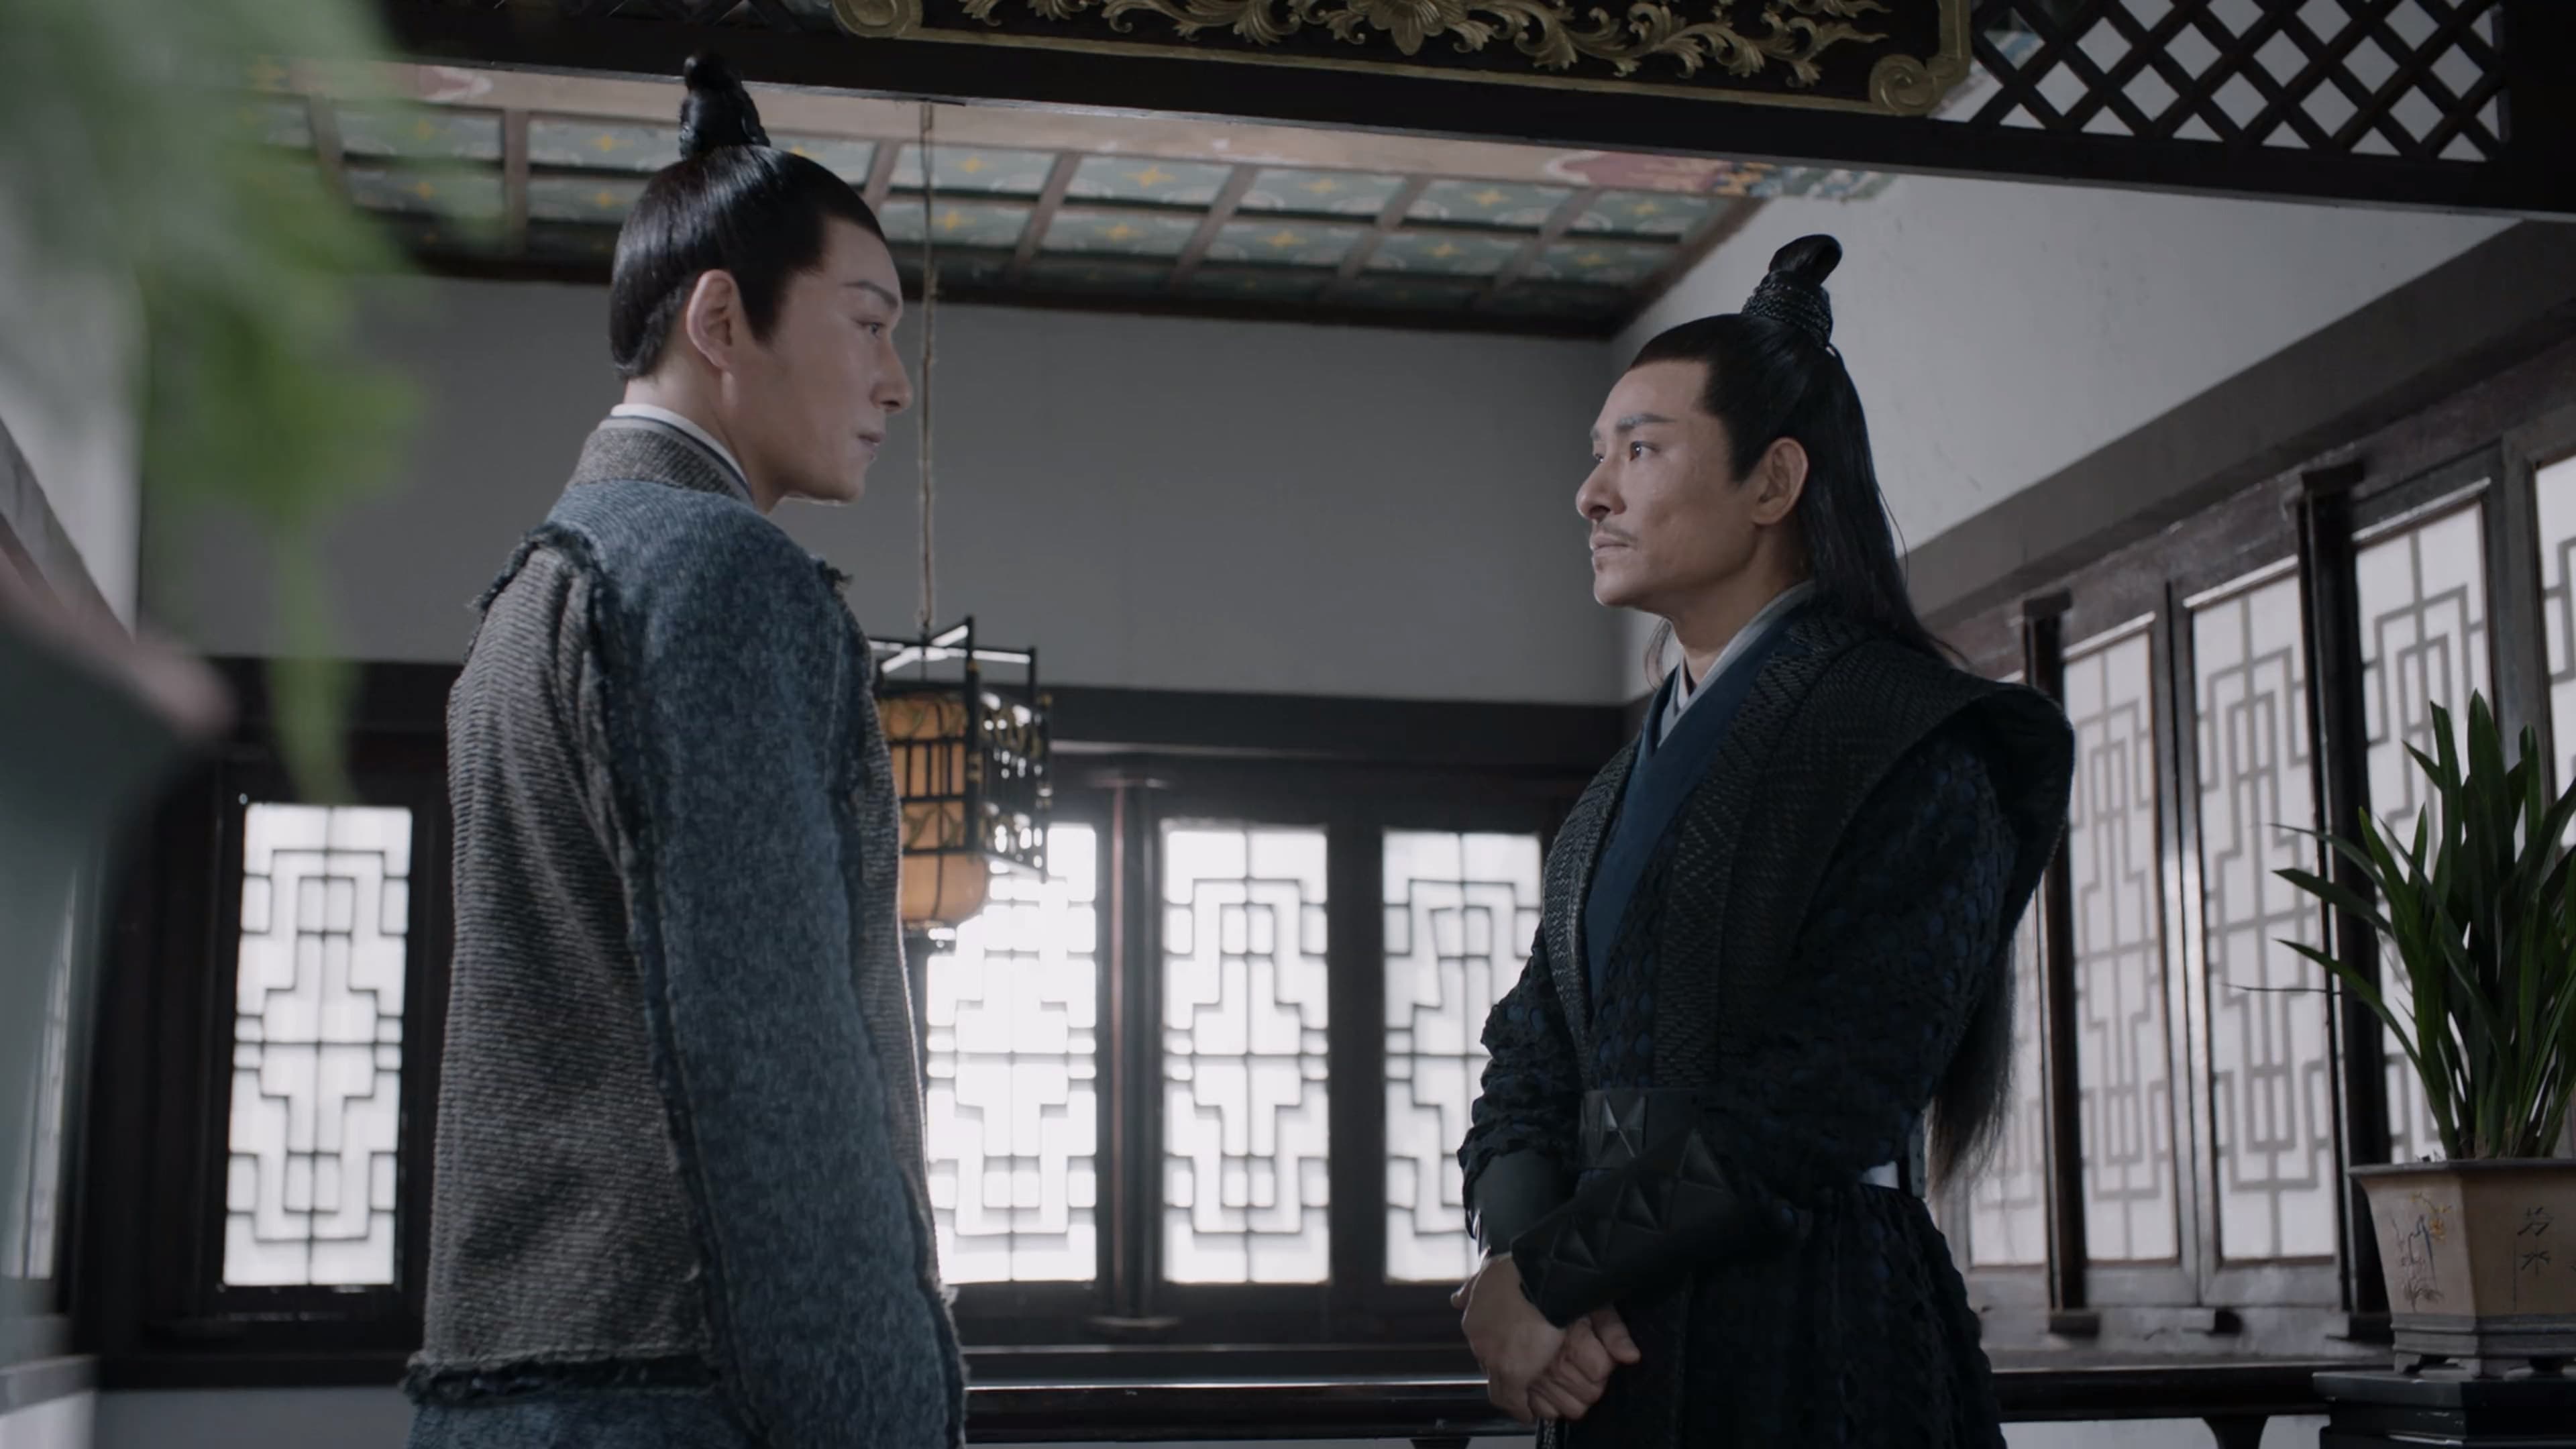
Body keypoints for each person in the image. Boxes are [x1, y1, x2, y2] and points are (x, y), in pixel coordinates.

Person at [406, 52, 962, 1449]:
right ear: (721, 319)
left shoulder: (532, 591)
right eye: (868, 323)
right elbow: (770, 1072)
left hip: (520, 1378)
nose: (895, 382)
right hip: (690, 1388)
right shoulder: (717, 575)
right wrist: (887, 1413)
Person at [1452, 235, 2074, 1448]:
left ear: (1775, 482)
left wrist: (1552, 1276)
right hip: (1609, 1345)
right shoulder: (1617, 791)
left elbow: (1822, 1101)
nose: (1592, 494)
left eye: (1640, 450)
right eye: (1597, 455)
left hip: (1816, 1328)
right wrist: (1515, 1263)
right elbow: (1530, 1057)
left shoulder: (1916, 745)